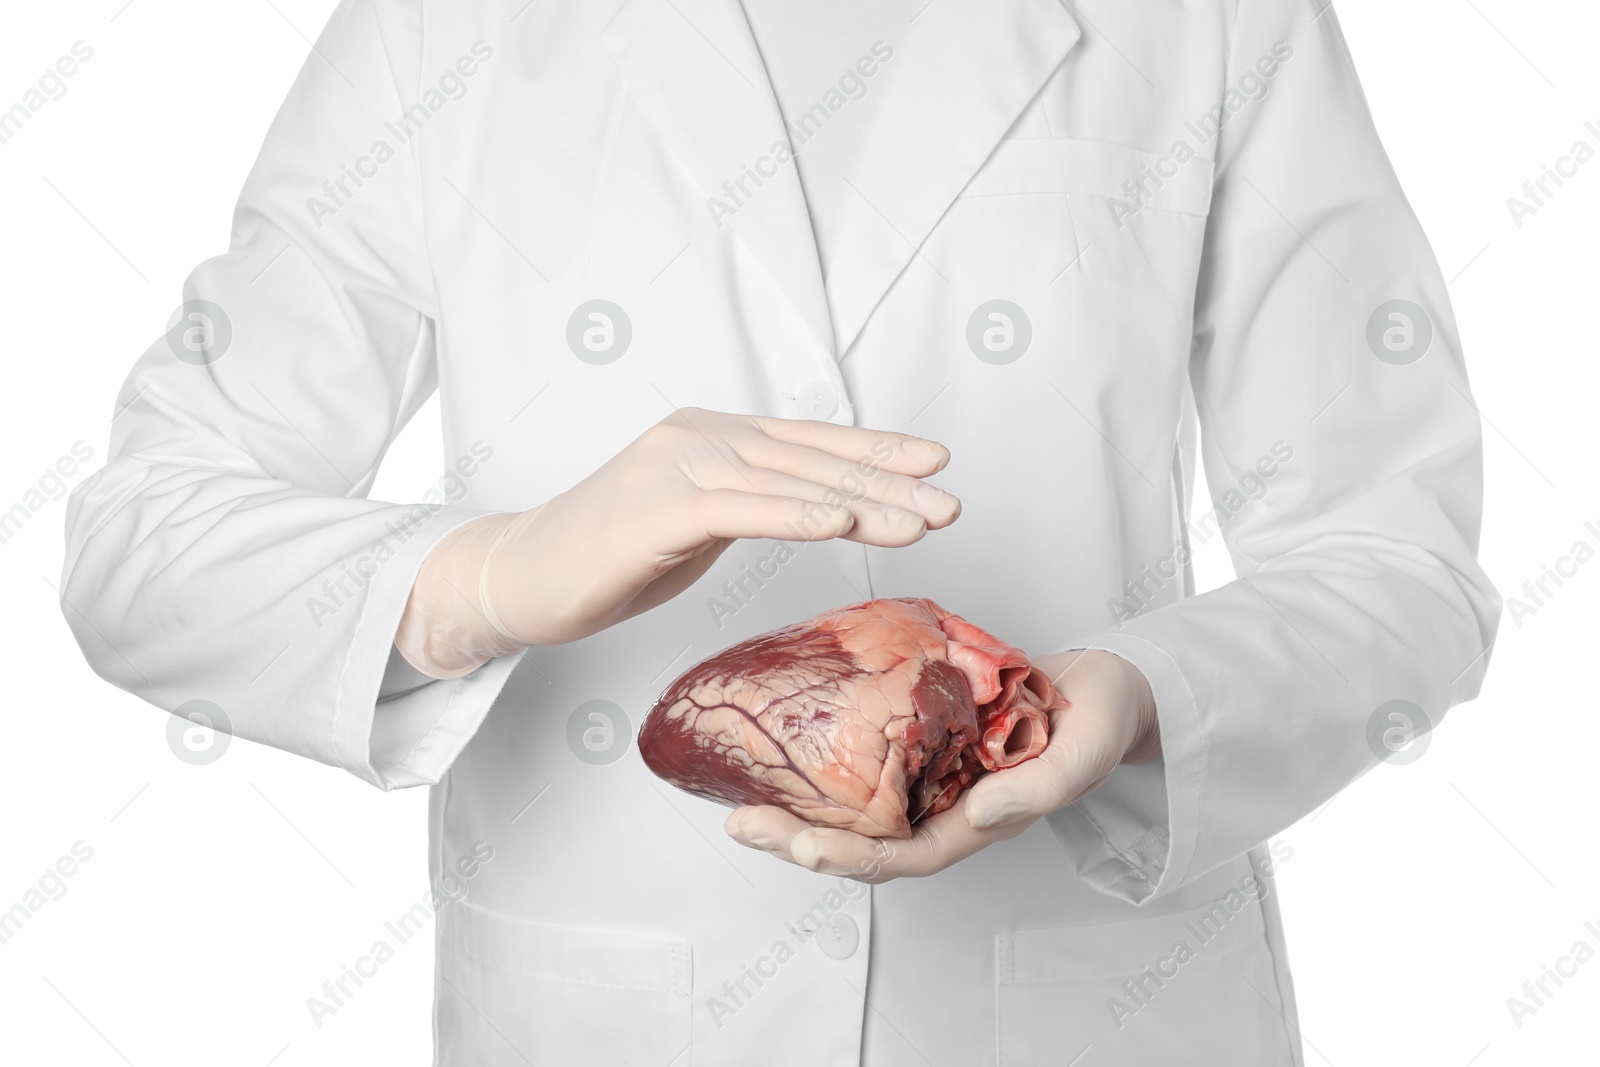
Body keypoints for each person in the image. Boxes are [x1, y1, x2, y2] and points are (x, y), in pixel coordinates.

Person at [62, 0, 1501, 1062]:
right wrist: (493, 575)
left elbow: (1401, 564)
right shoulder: (439, 29)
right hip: (606, 1016)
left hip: (1095, 1011)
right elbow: (142, 541)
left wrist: (1127, 706)